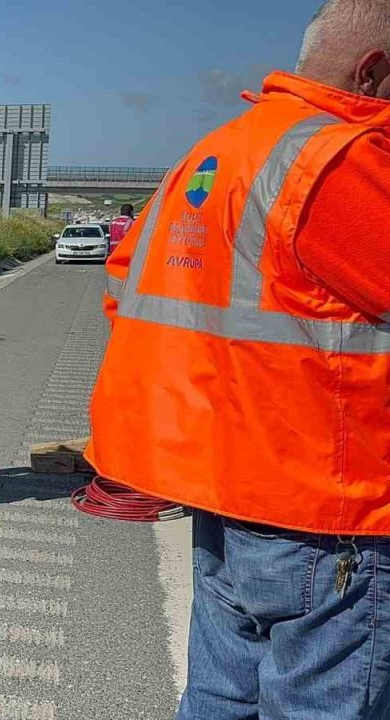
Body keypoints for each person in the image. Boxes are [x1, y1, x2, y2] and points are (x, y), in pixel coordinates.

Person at [87, 3, 390, 717]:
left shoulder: (211, 154)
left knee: (220, 701)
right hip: (326, 510)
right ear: (372, 72)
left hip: (227, 499)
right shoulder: (339, 162)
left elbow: (125, 287)